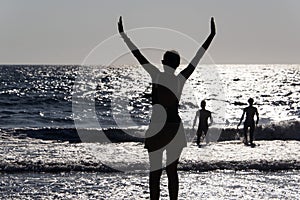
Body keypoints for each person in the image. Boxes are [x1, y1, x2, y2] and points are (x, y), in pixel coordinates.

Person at [118, 16, 216, 200]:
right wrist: (211, 36)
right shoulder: (180, 79)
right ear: (177, 65)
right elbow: (197, 57)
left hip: (157, 128)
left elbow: (138, 54)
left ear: (163, 62)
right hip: (174, 128)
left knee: (155, 173)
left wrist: (123, 35)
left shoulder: (156, 75)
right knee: (172, 172)